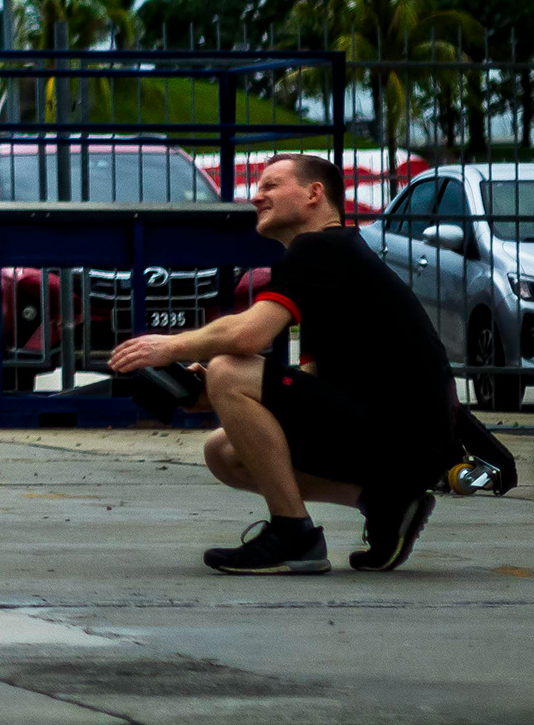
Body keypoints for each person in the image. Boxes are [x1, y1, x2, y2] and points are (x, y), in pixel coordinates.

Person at [106, 152, 454, 574]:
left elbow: (247, 335)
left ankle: (294, 534)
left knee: (230, 369)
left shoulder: (321, 247)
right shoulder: (334, 258)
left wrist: (172, 347)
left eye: (270, 185)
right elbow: (312, 382)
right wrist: (215, 395)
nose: (257, 197)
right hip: (406, 443)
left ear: (314, 194)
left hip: (405, 438)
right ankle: (384, 503)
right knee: (224, 451)